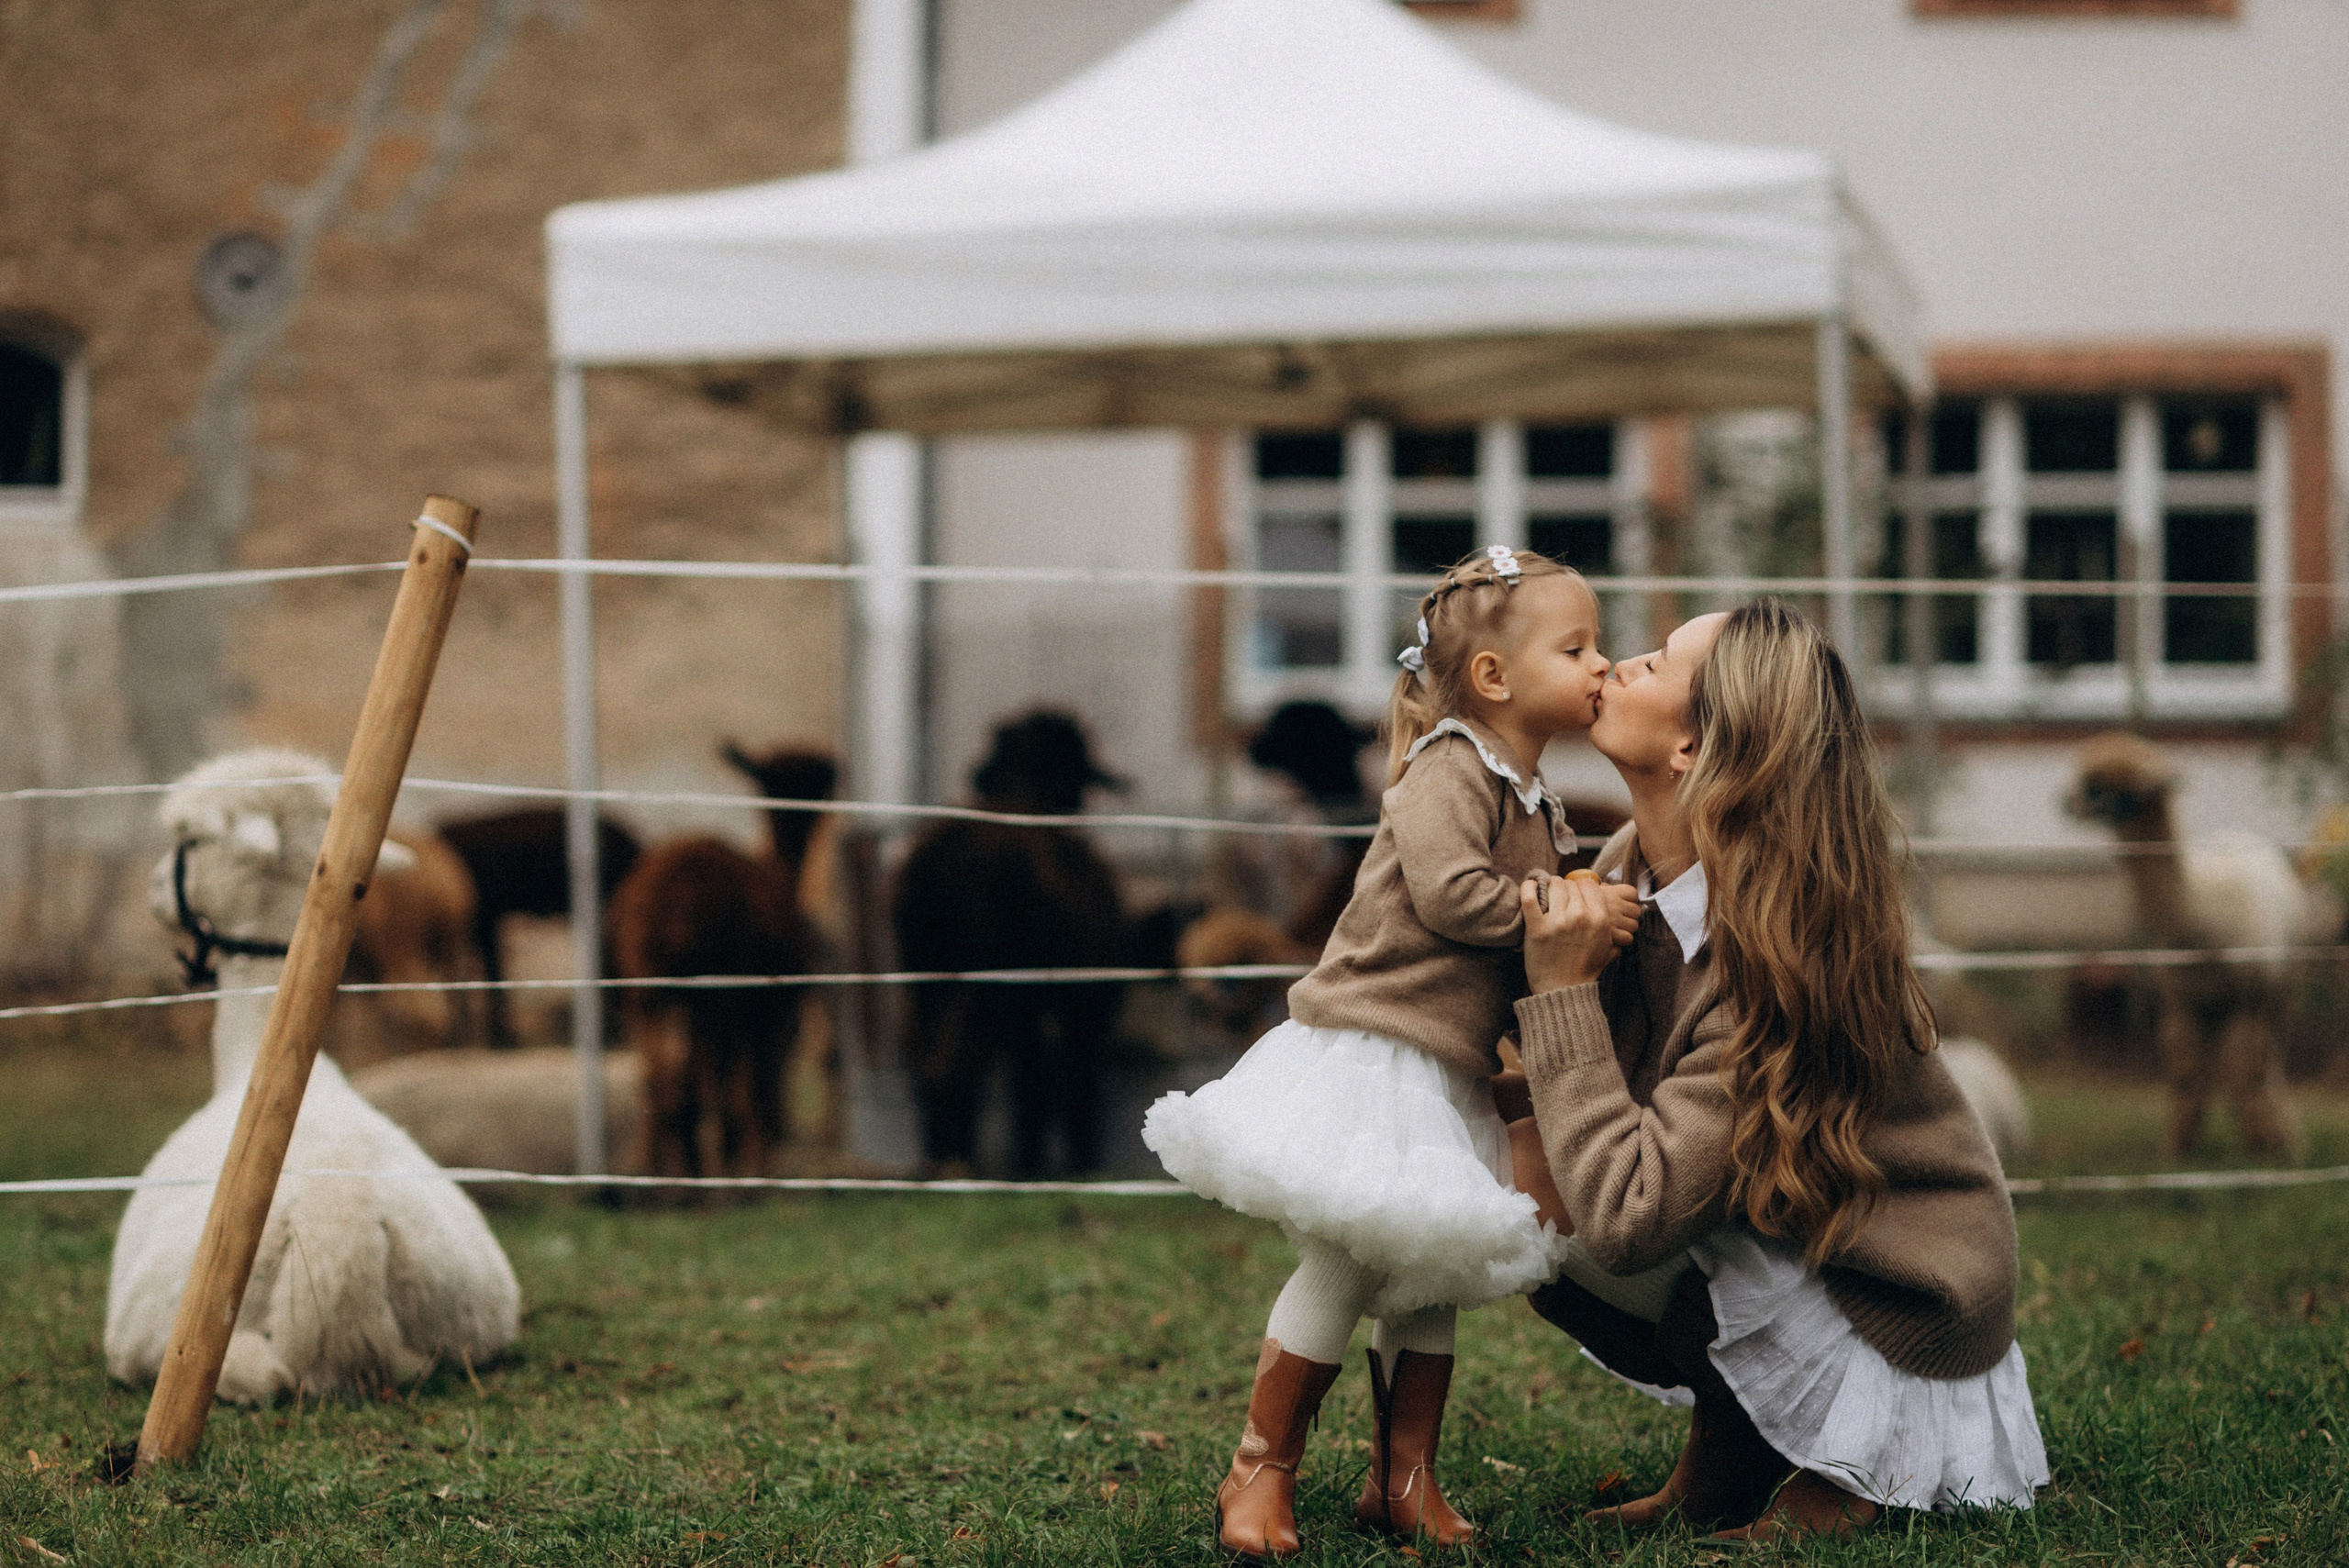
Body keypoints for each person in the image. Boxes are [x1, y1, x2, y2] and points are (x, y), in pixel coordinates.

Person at [1508, 599, 2048, 1542]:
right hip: (1780, 1230)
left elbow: (1632, 1215)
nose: (1619, 664)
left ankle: (1857, 1464)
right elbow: (1629, 1113)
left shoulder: (1775, 955)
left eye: (1655, 663)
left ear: (1690, 749)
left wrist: (1558, 993)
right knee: (1514, 1164)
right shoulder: (1632, 872)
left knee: (1540, 1182)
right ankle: (1740, 1436)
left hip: (1895, 1295)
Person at [1142, 546, 1639, 1559]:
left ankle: (1400, 1473)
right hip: (1376, 1052)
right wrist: (1562, 905)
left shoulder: (1533, 793)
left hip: (1441, 1065)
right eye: (1579, 646)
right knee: (1350, 1252)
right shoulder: (1448, 766)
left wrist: (1584, 880)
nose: (1602, 664)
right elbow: (1453, 893)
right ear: (1494, 677)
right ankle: (1259, 1466)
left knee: (1426, 1268)